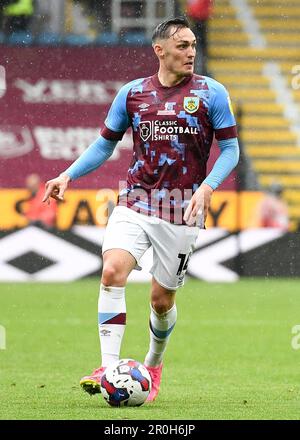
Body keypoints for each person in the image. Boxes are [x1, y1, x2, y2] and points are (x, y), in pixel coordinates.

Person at [43, 17, 239, 402]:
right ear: (159, 50)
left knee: (160, 301)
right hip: (135, 199)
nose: (191, 52)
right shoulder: (132, 94)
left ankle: (153, 363)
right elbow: (104, 145)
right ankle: (107, 366)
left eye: (194, 45)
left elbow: (231, 150)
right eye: (182, 46)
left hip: (181, 209)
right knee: (112, 270)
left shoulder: (211, 93)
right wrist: (67, 175)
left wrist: (208, 186)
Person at [186, 0, 214, 76]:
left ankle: (201, 67)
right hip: (198, 19)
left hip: (198, 19)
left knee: (199, 44)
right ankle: (201, 66)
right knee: (199, 44)